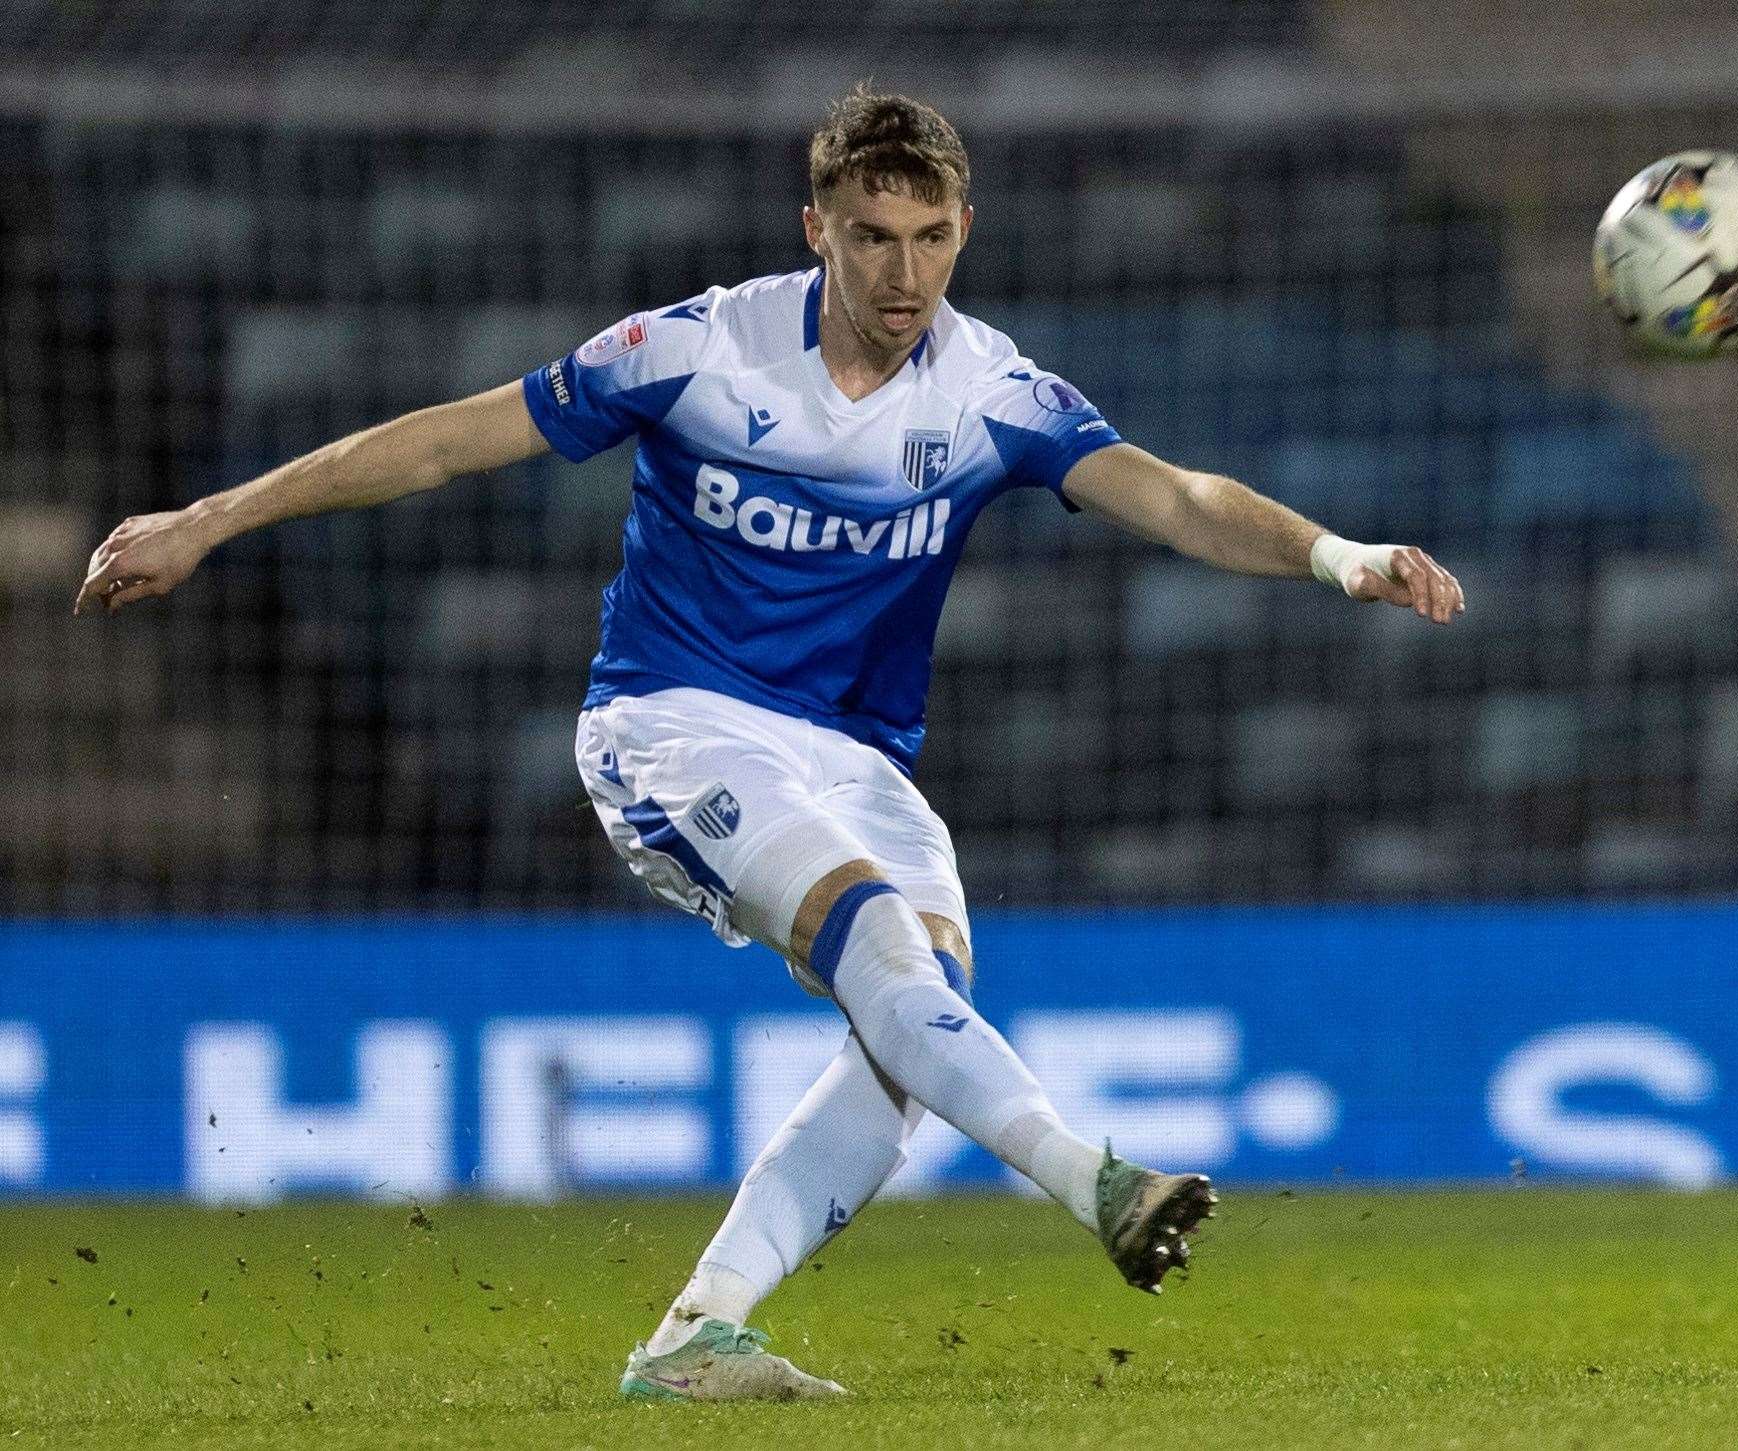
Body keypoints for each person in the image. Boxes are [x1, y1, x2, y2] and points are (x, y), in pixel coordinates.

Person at [74, 86, 1465, 1401]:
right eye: (870, 236)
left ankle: (696, 1332)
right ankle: (1094, 1179)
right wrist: (209, 520)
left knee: (911, 1026)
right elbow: (445, 442)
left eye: (927, 237)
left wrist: (1336, 555)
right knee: (879, 954)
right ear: (817, 231)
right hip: (671, 728)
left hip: (856, 761)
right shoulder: (695, 349)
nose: (901, 271)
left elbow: (1171, 496)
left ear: (963, 230)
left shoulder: (989, 391)